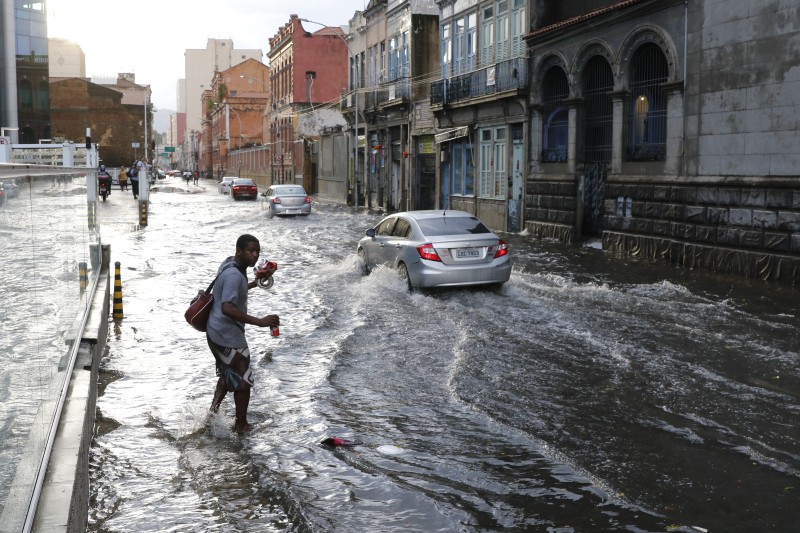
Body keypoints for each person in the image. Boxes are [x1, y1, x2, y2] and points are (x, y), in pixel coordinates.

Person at [206, 234, 279, 432]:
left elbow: (234, 290)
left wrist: (256, 282)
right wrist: (260, 322)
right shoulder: (234, 275)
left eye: (257, 251)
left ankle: (211, 414)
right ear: (239, 251)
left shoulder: (230, 264)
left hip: (215, 332)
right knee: (244, 379)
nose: (254, 256)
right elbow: (228, 307)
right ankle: (241, 424)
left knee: (228, 372)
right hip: (227, 335)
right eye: (250, 251)